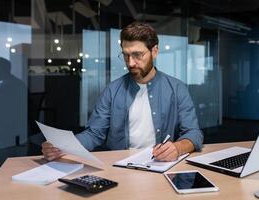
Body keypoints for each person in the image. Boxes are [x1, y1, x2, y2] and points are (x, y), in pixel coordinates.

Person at [42, 22, 203, 162]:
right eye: (126, 56)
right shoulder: (112, 91)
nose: (131, 63)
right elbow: (94, 134)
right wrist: (62, 147)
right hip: (121, 167)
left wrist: (177, 148)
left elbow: (194, 133)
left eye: (137, 55)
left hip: (161, 165)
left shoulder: (176, 88)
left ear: (154, 51)